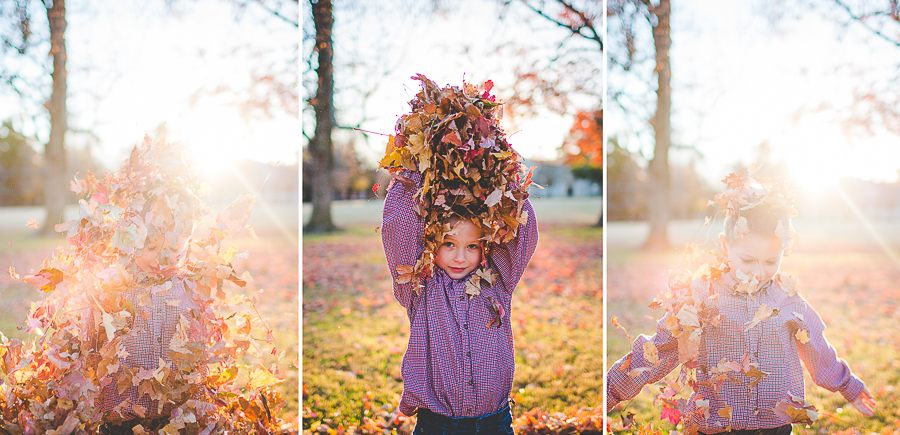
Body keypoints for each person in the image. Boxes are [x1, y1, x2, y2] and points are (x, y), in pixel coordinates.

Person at [606, 170, 877, 435]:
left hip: (775, 425)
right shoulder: (702, 293)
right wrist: (610, 391)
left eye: (771, 261)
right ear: (726, 246)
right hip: (716, 425)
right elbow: (661, 348)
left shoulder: (786, 297)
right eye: (747, 260)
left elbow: (817, 348)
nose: (758, 272)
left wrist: (848, 385)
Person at [381, 170, 538, 435]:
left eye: (472, 246)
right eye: (449, 244)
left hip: (494, 424)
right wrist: (415, 171)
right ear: (433, 242)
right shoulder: (420, 288)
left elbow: (522, 233)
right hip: (437, 426)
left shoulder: (497, 283)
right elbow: (400, 228)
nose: (460, 258)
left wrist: (499, 173)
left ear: (484, 246)